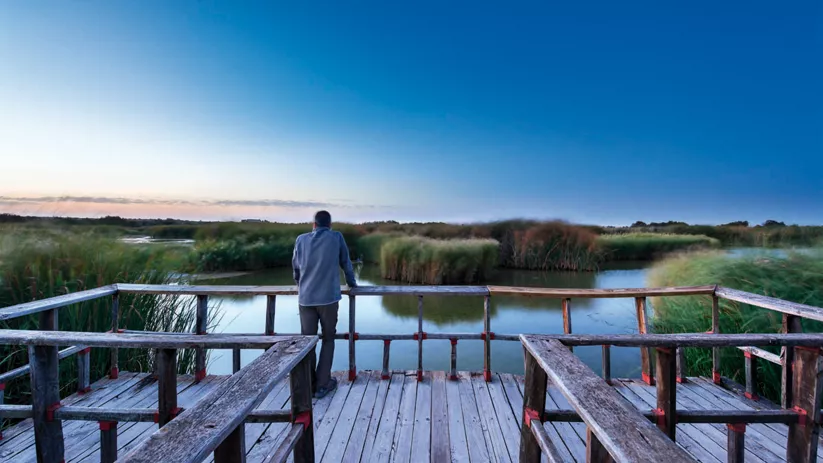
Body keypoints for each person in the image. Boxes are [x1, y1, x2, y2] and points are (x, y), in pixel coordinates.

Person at [292, 210, 357, 398]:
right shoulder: (336, 237)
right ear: (330, 225)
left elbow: (296, 268)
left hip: (306, 299)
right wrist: (352, 284)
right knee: (328, 339)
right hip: (328, 299)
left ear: (314, 224)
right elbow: (346, 263)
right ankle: (322, 384)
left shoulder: (301, 240)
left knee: (308, 342)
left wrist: (301, 285)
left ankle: (308, 384)